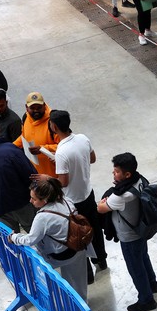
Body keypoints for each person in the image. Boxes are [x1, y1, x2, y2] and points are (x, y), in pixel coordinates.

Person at [36, 110, 108, 276]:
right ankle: (101, 260)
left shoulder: (62, 152)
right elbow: (92, 159)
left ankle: (87, 274)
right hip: (88, 194)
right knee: (95, 230)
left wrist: (47, 178)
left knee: (78, 236)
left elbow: (63, 182)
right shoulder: (83, 138)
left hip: (73, 202)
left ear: (54, 127)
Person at [97, 153, 157, 311]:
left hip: (128, 236)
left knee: (135, 267)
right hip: (140, 230)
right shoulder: (139, 180)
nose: (114, 174)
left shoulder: (121, 196)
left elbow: (100, 208)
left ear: (127, 174)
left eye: (117, 172)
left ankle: (146, 300)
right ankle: (152, 284)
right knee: (143, 258)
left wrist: (103, 202)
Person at [9, 177, 90, 300]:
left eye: (34, 199)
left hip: (60, 255)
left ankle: (39, 295)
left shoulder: (43, 217)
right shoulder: (67, 201)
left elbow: (30, 240)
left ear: (45, 200)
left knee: (28, 261)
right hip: (78, 247)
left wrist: (15, 237)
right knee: (78, 283)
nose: (30, 201)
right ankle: (82, 307)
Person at [13, 92, 59, 178]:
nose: (36, 110)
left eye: (39, 107)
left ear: (44, 106)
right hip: (35, 174)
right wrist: (11, 147)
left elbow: (64, 146)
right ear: (26, 108)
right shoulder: (25, 117)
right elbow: (24, 137)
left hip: (53, 178)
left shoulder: (53, 121)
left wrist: (42, 149)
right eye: (32, 108)